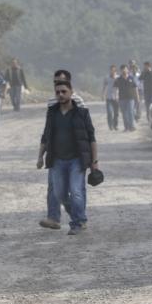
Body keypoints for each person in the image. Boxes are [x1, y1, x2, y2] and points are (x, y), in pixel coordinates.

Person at [37, 79, 98, 236]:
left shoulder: (82, 113)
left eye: (64, 91)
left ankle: (77, 223)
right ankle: (80, 216)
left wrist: (94, 162)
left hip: (77, 160)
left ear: (71, 93)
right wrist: (40, 156)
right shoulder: (52, 113)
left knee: (76, 191)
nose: (61, 95)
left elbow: (91, 138)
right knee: (60, 194)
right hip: (57, 160)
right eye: (58, 92)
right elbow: (45, 136)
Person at [40, 70, 85, 230]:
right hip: (56, 153)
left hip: (76, 154)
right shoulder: (52, 102)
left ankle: (80, 217)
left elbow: (85, 129)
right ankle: (54, 217)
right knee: (55, 187)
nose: (58, 88)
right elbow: (48, 129)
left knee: (77, 189)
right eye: (55, 83)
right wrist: (42, 153)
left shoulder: (78, 101)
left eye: (61, 83)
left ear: (70, 86)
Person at [114, 65, 139, 132]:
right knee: (124, 113)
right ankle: (126, 127)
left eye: (125, 69)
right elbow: (116, 89)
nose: (124, 70)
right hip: (122, 99)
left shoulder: (131, 78)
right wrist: (116, 96)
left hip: (131, 98)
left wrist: (137, 97)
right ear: (120, 71)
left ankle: (132, 126)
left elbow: (135, 88)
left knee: (130, 111)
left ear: (127, 70)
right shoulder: (118, 79)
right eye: (122, 69)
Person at [101, 65, 120, 131]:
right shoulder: (106, 78)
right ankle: (110, 125)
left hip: (116, 97)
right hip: (108, 97)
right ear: (110, 70)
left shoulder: (118, 77)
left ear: (116, 71)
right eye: (111, 70)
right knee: (109, 112)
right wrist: (103, 95)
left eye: (114, 70)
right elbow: (104, 86)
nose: (112, 71)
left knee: (116, 113)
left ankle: (115, 125)